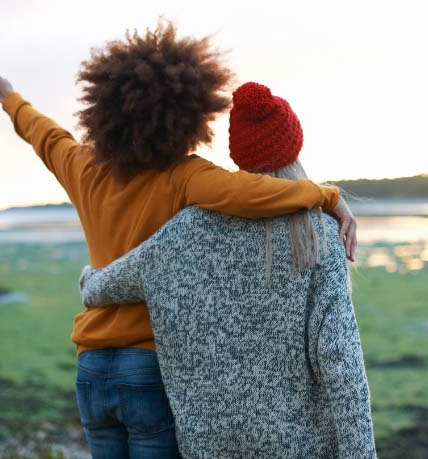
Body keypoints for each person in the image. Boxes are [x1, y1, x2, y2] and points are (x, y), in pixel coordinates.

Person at [0, 21, 358, 459]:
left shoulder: (82, 167)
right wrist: (327, 196)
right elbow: (252, 192)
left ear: (104, 111)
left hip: (90, 364)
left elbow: (44, 134)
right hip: (147, 364)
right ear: (186, 116)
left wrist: (9, 97)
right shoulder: (184, 176)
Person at [79, 82, 377, 458]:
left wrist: (88, 279)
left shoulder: (184, 231)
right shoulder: (318, 235)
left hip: (209, 446)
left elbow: (102, 287)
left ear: (238, 156)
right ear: (294, 146)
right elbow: (339, 357)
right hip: (299, 446)